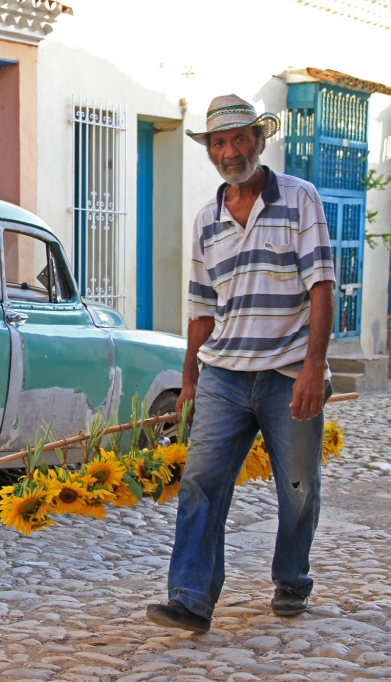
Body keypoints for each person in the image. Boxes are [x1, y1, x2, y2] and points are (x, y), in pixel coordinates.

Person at [146, 95, 335, 633]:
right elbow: (202, 308)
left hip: (287, 372)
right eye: (219, 143)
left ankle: (292, 580)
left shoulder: (301, 199)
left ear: (259, 140)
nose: (230, 151)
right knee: (202, 482)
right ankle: (189, 598)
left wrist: (313, 368)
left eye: (239, 140)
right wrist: (189, 380)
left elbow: (321, 285)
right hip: (225, 375)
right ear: (210, 151)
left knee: (298, 486)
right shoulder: (207, 218)